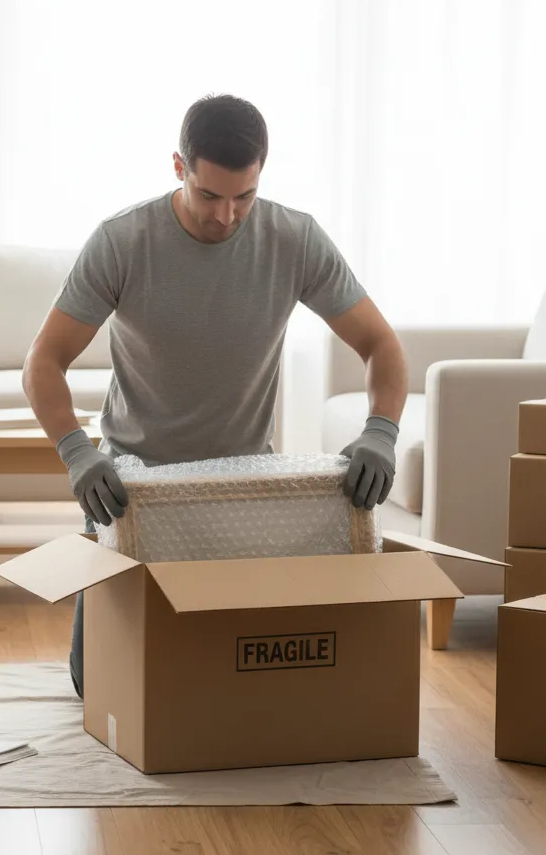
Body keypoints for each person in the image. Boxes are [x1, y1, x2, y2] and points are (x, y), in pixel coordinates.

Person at [22, 94, 409, 700]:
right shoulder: (122, 241)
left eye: (244, 197)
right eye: (210, 195)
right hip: (131, 489)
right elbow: (44, 361)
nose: (227, 216)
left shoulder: (295, 238)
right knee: (96, 683)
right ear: (180, 168)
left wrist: (381, 431)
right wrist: (77, 453)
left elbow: (381, 345)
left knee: (235, 679)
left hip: (242, 487)